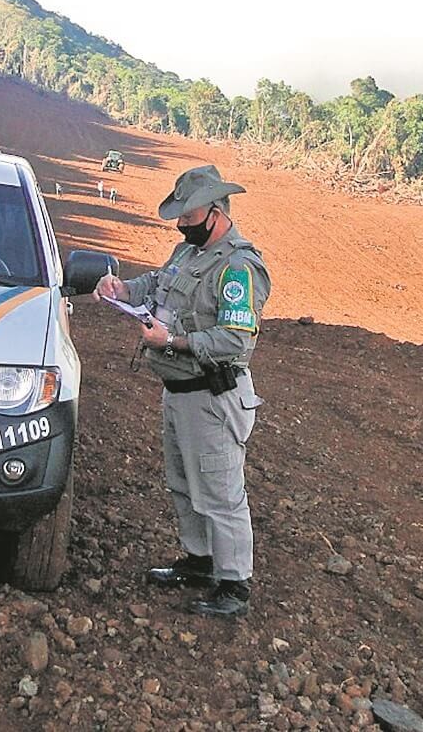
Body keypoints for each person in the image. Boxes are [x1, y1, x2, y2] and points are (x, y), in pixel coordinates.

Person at [93, 165, 271, 617]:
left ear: (215, 212)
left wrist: (171, 342)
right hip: (180, 392)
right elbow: (156, 284)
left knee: (220, 491)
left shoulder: (237, 267)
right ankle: (199, 563)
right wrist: (122, 287)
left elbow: (235, 340)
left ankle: (233, 587)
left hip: (213, 397)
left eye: (188, 217)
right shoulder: (186, 254)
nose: (181, 224)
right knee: (183, 484)